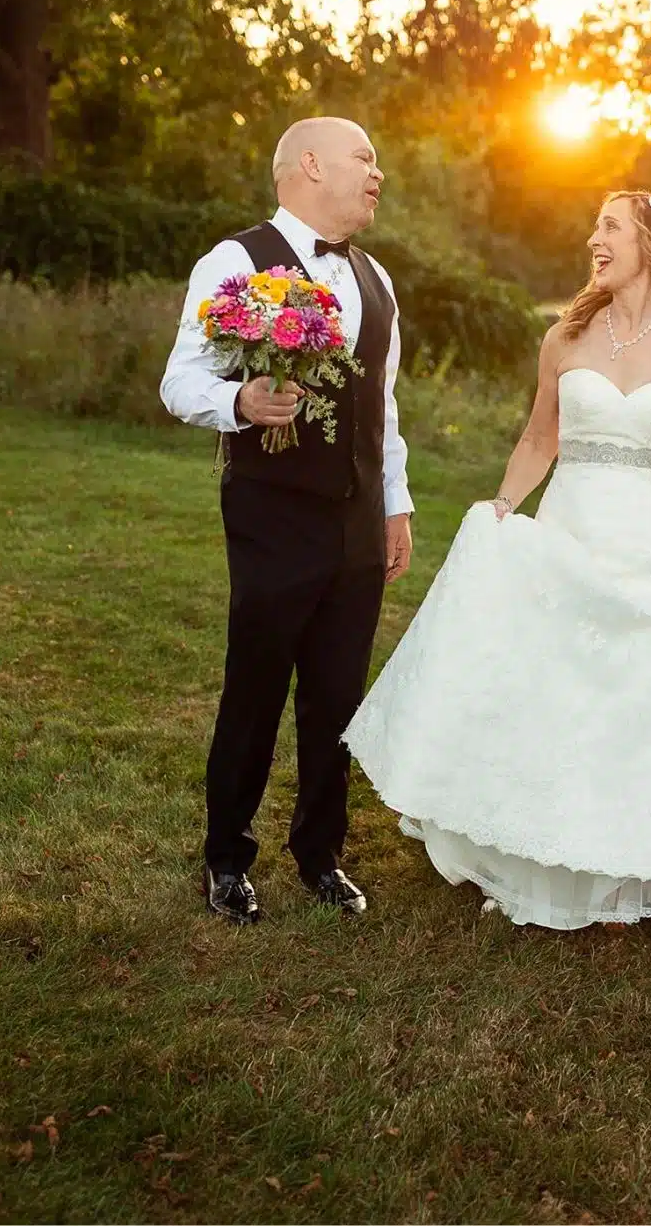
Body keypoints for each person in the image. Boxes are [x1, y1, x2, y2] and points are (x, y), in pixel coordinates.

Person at [343, 190, 651, 930]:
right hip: (572, 524)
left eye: (609, 227)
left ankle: (631, 859)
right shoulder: (565, 337)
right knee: (562, 683)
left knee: (640, 695)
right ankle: (543, 846)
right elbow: (539, 439)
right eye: (595, 227)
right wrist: (505, 508)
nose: (592, 239)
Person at [160, 117, 414, 925]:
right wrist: (239, 399)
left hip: (357, 521)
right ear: (310, 164)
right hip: (273, 513)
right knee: (258, 687)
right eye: (364, 159)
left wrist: (394, 505)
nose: (378, 174)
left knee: (338, 694)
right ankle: (226, 860)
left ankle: (321, 853)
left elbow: (385, 406)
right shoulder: (235, 261)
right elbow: (178, 378)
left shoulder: (377, 279)